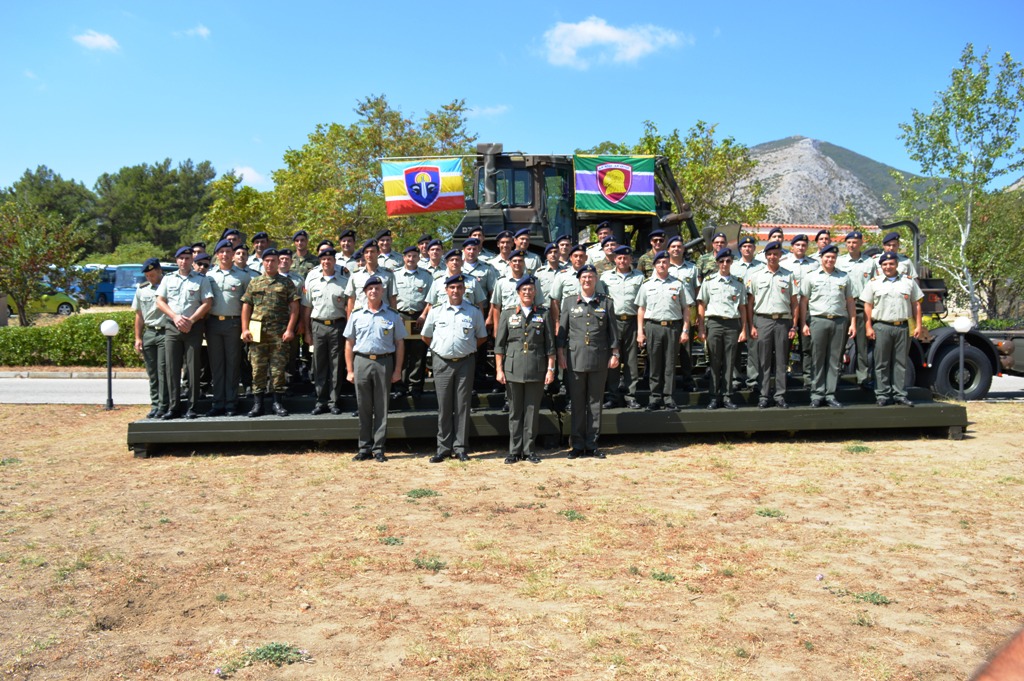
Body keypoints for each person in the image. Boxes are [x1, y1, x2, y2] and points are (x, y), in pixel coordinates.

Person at [421, 274, 489, 462]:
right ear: (446, 290)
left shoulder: (473, 312)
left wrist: (467, 348)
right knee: (444, 406)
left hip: (465, 363)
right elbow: (426, 336)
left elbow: (481, 337)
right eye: (452, 288)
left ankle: (460, 447)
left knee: (462, 406)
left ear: (464, 290)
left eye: (459, 288)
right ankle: (442, 448)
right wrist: (439, 350)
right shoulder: (436, 311)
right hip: (442, 362)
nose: (455, 291)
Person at [558, 264, 619, 459]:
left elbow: (613, 333)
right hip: (574, 359)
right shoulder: (568, 302)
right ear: (579, 279)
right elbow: (562, 332)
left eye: (590, 277)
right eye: (584, 277)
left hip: (599, 358)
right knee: (577, 403)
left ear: (596, 279)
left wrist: (615, 354)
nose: (587, 280)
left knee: (595, 402)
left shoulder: (606, 302)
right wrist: (560, 354)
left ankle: (592, 444)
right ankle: (576, 444)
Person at [494, 275, 556, 464]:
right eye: (524, 290)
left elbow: (550, 347)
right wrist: (499, 369)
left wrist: (551, 369)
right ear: (518, 292)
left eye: (530, 289)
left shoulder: (544, 314)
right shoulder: (507, 313)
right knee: (515, 412)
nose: (527, 292)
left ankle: (529, 450)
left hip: (536, 369)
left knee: (531, 411)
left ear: (535, 292)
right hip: (513, 369)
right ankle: (514, 450)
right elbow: (499, 346)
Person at [345, 276, 406, 462]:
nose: (373, 291)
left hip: (384, 363)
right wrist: (349, 370)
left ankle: (379, 448)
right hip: (362, 361)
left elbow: (400, 344)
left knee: (382, 406)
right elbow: (349, 343)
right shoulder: (356, 315)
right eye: (370, 289)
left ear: (382, 292)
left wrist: (397, 370)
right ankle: (364, 448)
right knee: (363, 406)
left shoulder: (392, 315)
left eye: (377, 288)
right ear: (365, 292)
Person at [155, 247, 213, 419]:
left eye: (187, 258)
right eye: (181, 258)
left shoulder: (201, 279)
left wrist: (191, 320)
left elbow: (207, 302)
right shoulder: (168, 278)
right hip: (172, 327)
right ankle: (174, 407)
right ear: (176, 260)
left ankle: (192, 407)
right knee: (172, 368)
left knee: (193, 367)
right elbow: (160, 300)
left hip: (193, 327)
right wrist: (175, 317)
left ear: (192, 261)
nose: (184, 261)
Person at [241, 248, 300, 417]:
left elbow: (294, 308)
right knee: (257, 368)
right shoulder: (255, 282)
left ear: (278, 262)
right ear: (263, 262)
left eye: (273, 261)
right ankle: (258, 404)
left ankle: (277, 403)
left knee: (277, 369)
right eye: (266, 261)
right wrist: (244, 329)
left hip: (279, 332)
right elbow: (246, 306)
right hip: (257, 332)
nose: (270, 263)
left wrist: (290, 329)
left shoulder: (286, 283)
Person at [862, 251, 923, 406]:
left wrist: (918, 325)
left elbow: (916, 304)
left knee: (900, 362)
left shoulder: (908, 282)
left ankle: (900, 394)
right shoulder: (874, 283)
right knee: (881, 362)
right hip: (882, 326)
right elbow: (867, 306)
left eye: (891, 264)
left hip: (902, 326)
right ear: (880, 266)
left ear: (897, 265)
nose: (888, 267)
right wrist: (868, 326)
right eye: (885, 264)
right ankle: (882, 395)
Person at [801, 244, 856, 408]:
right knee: (817, 358)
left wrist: (853, 322)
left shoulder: (844, 277)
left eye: (833, 257)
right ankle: (817, 394)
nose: (830, 260)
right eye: (827, 257)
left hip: (839, 321)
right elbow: (804, 302)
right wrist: (803, 323)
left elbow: (850, 302)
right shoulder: (811, 277)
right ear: (821, 258)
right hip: (818, 320)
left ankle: (830, 394)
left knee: (834, 359)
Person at [636, 249, 692, 411]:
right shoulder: (646, 285)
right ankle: (655, 398)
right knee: (654, 364)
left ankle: (668, 398)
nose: (662, 264)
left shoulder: (677, 284)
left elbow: (686, 309)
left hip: (673, 327)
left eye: (665, 262)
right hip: (653, 327)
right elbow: (641, 309)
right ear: (654, 265)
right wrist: (640, 331)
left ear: (669, 264)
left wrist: (685, 330)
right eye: (659, 262)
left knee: (670, 364)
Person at [746, 241, 798, 409]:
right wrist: (751, 326)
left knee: (782, 360)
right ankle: (763, 395)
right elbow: (749, 303)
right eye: (770, 254)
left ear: (780, 256)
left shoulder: (788, 275)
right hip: (763, 320)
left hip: (783, 321)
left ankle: (780, 395)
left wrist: (794, 326)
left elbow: (794, 303)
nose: (773, 257)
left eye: (776, 254)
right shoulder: (756, 276)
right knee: (763, 361)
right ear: (765, 256)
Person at [204, 239, 251, 416]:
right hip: (213, 324)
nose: (225, 255)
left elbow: (248, 304)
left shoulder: (243, 276)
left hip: (234, 324)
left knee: (232, 365)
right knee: (216, 365)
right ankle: (218, 403)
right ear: (217, 254)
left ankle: (231, 403)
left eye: (228, 252)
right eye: (221, 251)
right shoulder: (209, 276)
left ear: (233, 254)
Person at [697, 248, 748, 410]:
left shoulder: (738, 283)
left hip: (732, 325)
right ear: (717, 263)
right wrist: (701, 328)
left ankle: (727, 396)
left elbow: (742, 308)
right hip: (714, 324)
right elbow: (701, 305)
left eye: (727, 261)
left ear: (731, 262)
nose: (724, 264)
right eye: (721, 261)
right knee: (714, 361)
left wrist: (744, 329)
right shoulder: (709, 281)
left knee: (730, 362)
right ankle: (713, 397)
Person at [302, 248, 350, 414]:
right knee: (319, 364)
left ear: (334, 262)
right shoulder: (313, 282)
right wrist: (307, 332)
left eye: (329, 259)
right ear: (320, 262)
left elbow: (349, 307)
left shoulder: (344, 282)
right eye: (323, 260)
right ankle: (320, 401)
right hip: (318, 326)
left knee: (337, 365)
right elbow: (307, 309)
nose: (326, 262)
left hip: (338, 325)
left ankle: (334, 401)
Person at [600, 244, 644, 409]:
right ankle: (612, 396)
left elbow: (643, 304)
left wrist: (642, 328)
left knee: (632, 362)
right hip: (612, 322)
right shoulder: (605, 278)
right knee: (613, 361)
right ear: (614, 259)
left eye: (626, 258)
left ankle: (630, 396)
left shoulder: (639, 277)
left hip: (632, 321)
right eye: (619, 258)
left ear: (631, 259)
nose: (622, 260)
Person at [836, 230, 877, 389]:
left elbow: (874, 285)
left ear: (861, 243)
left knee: (862, 345)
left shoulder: (870, 263)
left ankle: (863, 378)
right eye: (849, 242)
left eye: (855, 242)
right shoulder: (839, 261)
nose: (851, 245)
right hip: (842, 306)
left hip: (862, 306)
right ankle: (836, 376)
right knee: (838, 345)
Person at [392, 245, 433, 398]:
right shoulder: (395, 275)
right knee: (401, 352)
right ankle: (400, 386)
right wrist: (396, 315)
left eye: (414, 256)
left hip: (418, 318)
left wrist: (423, 316)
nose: (411, 259)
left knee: (418, 353)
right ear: (404, 258)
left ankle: (415, 386)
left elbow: (430, 300)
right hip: (401, 317)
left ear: (418, 258)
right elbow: (392, 298)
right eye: (408, 256)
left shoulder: (426, 276)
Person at [132, 258, 169, 419]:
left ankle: (164, 405)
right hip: (149, 333)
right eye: (147, 275)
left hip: (165, 332)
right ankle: (155, 405)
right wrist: (138, 338)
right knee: (152, 372)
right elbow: (139, 315)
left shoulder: (169, 285)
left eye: (152, 275)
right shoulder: (142, 289)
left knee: (163, 371)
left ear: (160, 271)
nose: (149, 278)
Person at [666, 235, 701, 391]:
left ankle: (688, 380)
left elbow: (697, 292)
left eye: (679, 246)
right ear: (668, 250)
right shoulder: (663, 267)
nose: (676, 249)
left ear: (684, 249)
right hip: (670, 311)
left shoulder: (692, 268)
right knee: (670, 350)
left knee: (686, 349)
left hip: (689, 310)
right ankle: (669, 382)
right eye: (673, 247)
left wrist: (699, 316)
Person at [732, 235, 764, 392]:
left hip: (754, 311)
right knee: (735, 348)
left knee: (753, 348)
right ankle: (735, 379)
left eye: (750, 247)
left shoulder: (762, 267)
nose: (747, 249)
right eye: (744, 246)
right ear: (740, 249)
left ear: (754, 249)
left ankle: (752, 380)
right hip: (734, 311)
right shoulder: (733, 267)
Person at [345, 240, 397, 313]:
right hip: (361, 318)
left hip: (383, 317)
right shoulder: (355, 275)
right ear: (363, 255)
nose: (369, 255)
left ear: (378, 253)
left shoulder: (388, 275)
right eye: (366, 252)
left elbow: (392, 299)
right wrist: (349, 322)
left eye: (372, 252)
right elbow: (351, 300)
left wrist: (394, 319)